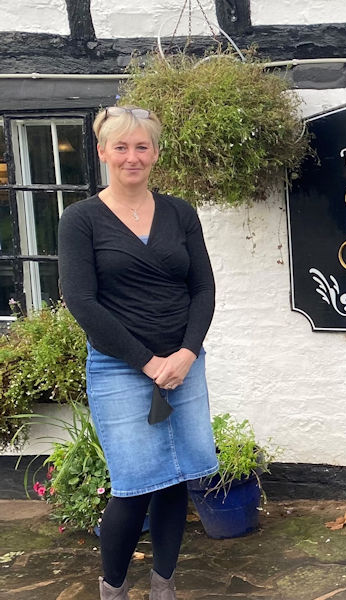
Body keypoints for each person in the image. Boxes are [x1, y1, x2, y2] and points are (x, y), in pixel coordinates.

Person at [58, 106, 217, 600]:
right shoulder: (80, 219)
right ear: (103, 152)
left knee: (177, 479)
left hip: (183, 363)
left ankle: (163, 584)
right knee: (133, 485)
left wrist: (187, 353)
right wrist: (148, 363)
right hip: (121, 367)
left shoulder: (179, 212)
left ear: (155, 153)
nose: (132, 156)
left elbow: (203, 289)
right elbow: (81, 302)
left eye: (142, 146)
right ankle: (114, 588)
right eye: (121, 147)